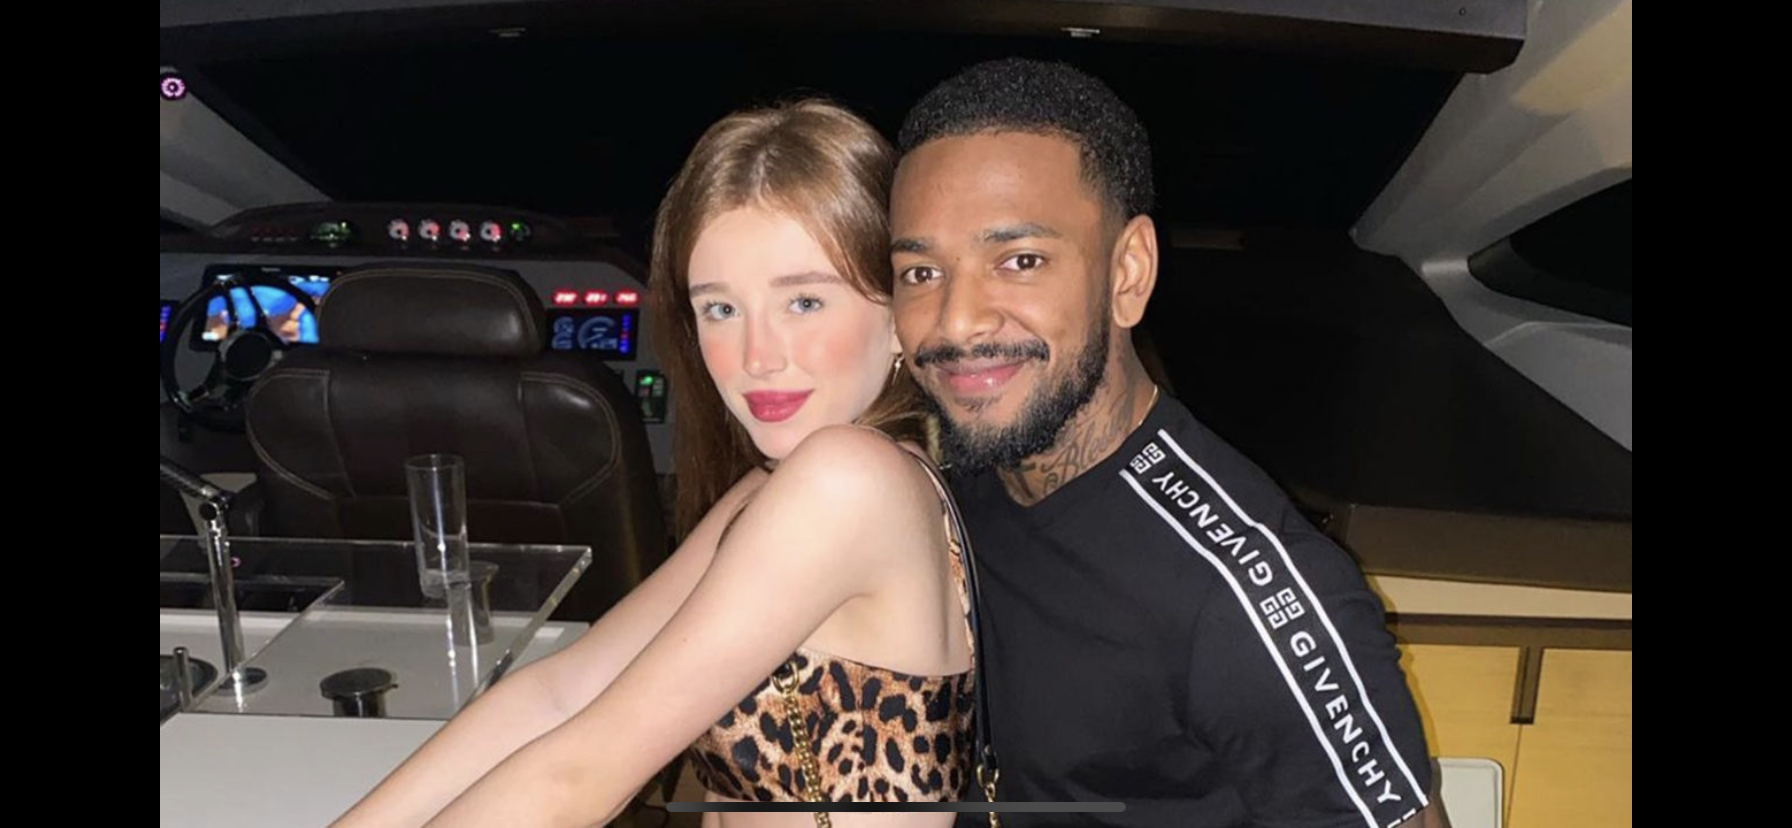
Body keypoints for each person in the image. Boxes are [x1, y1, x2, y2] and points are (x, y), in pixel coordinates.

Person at [330, 99, 979, 828]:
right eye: (721, 309)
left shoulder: (848, 481)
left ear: (898, 315)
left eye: (803, 302)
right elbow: (561, 693)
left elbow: (580, 776)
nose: (757, 357)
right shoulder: (779, 487)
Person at [888, 58, 1445, 828]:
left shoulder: (1245, 598)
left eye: (1019, 261)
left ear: (1128, 273)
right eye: (920, 272)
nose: (956, 321)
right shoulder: (954, 487)